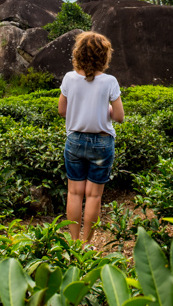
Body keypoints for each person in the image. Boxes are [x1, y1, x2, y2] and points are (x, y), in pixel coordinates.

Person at [58, 31, 124, 245]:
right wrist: (104, 109)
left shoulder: (69, 78)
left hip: (75, 141)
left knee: (74, 193)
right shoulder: (110, 81)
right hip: (102, 143)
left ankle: (74, 243)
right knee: (94, 196)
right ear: (104, 56)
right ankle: (86, 245)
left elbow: (62, 110)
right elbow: (119, 116)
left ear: (78, 53)